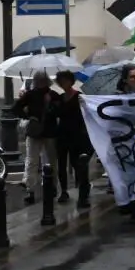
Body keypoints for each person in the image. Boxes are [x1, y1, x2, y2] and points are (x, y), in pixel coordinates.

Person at [16, 70, 59, 205]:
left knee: (36, 161)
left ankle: (35, 189)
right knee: (38, 161)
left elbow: (16, 108)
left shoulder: (50, 95)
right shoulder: (44, 95)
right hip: (44, 132)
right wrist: (28, 115)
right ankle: (39, 189)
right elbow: (16, 108)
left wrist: (29, 115)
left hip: (43, 132)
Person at [113, 65, 135, 225]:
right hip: (124, 142)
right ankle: (131, 206)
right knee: (128, 177)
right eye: (132, 77)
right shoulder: (116, 96)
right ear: (125, 79)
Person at [53, 70, 92, 207]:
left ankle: (84, 194)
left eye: (65, 80)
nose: (63, 83)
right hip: (62, 134)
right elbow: (55, 114)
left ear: (71, 81)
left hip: (77, 135)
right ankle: (63, 191)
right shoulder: (59, 98)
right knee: (61, 165)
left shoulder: (79, 96)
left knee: (79, 165)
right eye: (61, 81)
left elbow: (86, 115)